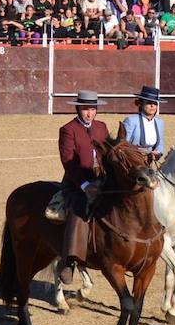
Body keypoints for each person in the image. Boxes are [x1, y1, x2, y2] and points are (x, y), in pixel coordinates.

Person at [50, 90, 110, 289]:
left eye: (93, 109)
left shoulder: (101, 127)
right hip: (77, 182)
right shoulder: (68, 129)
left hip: (101, 179)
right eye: (85, 109)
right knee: (78, 212)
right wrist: (85, 186)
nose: (89, 113)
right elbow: (68, 161)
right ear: (78, 108)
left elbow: (108, 154)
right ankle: (69, 261)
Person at [118, 85, 167, 160]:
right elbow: (123, 144)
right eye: (148, 103)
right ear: (141, 104)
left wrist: (158, 152)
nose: (152, 106)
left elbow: (160, 143)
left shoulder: (159, 122)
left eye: (155, 103)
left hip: (151, 159)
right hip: (133, 159)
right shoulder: (131, 121)